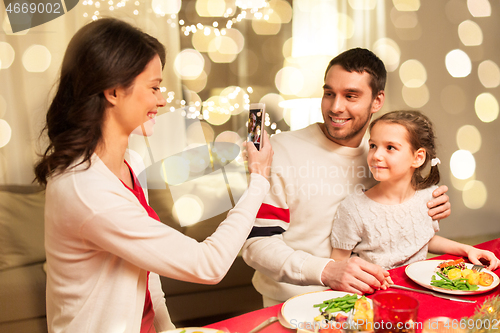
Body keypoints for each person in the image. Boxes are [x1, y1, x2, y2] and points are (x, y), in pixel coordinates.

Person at [34, 18, 273, 333]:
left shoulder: (129, 164)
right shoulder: (85, 189)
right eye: (154, 87)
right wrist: (259, 179)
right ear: (114, 91)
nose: (162, 100)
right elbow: (208, 264)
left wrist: (166, 328)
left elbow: (146, 271)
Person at [242, 48, 451, 306]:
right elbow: (255, 242)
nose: (336, 107)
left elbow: (397, 212)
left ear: (377, 100)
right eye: (329, 93)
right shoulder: (281, 151)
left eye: (351, 95)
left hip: (368, 301)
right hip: (293, 303)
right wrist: (326, 270)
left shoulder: (380, 156)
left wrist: (425, 201)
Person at [330, 110, 499, 271]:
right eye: (373, 145)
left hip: (418, 288)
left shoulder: (429, 198)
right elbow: (339, 264)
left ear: (418, 158)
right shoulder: (354, 209)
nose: (376, 155)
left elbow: (421, 240)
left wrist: (468, 250)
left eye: (390, 147)